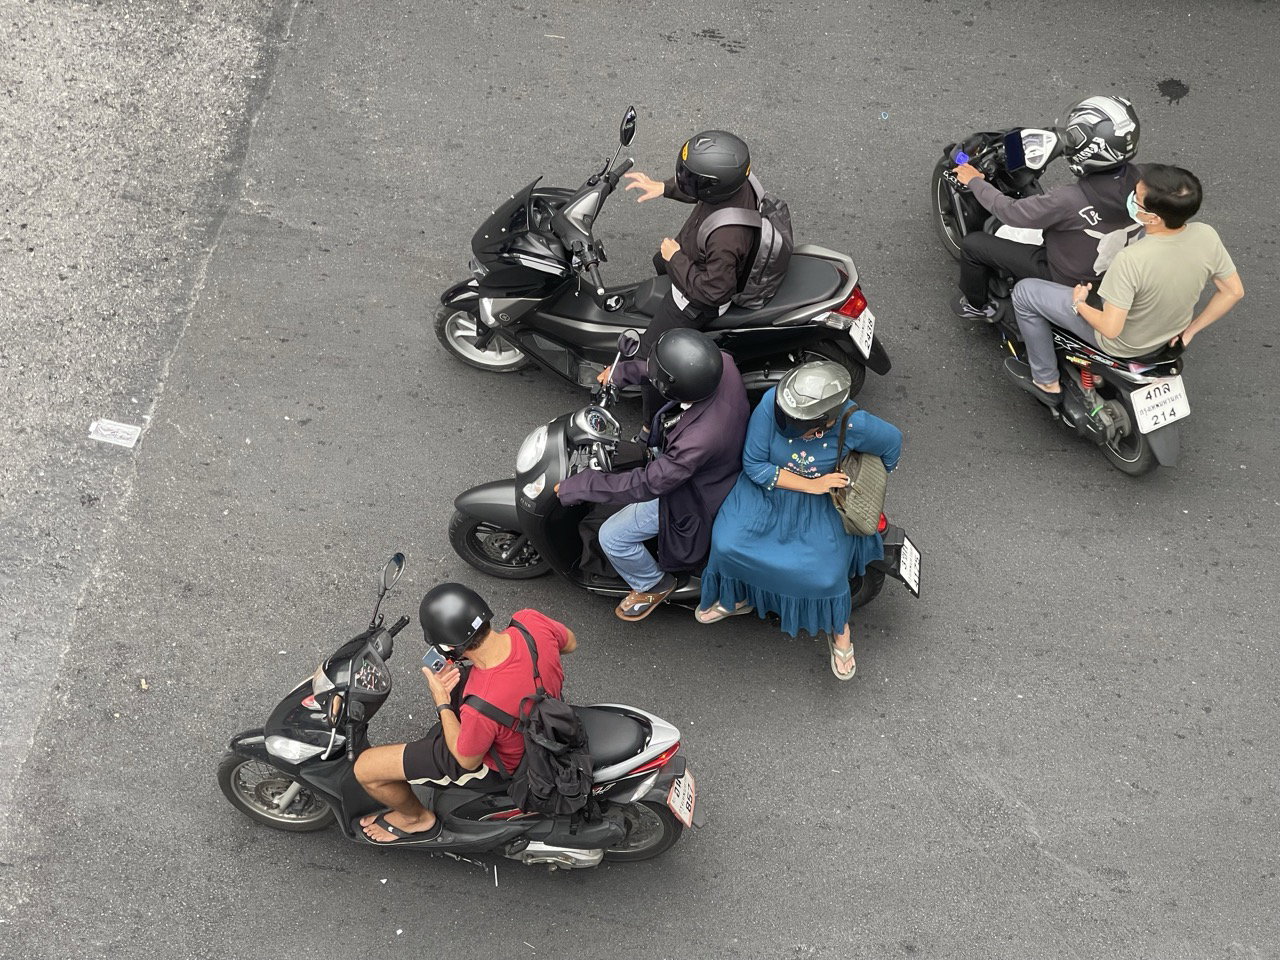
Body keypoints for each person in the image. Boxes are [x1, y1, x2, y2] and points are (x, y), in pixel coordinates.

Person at [697, 361, 902, 681]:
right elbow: (754, 465)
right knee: (727, 543)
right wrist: (810, 483)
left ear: (824, 422)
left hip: (823, 503)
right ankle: (737, 596)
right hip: (768, 490)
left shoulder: (853, 423)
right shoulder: (772, 404)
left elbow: (892, 444)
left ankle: (839, 630)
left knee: (826, 576)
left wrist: (865, 482)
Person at [354, 583, 576, 845]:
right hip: (544, 718)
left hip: (504, 763)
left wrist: (442, 702)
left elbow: (466, 759)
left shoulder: (480, 704)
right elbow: (569, 643)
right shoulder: (531, 622)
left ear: (449, 647)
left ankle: (416, 819)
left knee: (367, 769)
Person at [1004, 163, 1244, 404]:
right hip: (1171, 335)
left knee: (1026, 293)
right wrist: (1190, 330)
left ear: (1152, 217)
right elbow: (1233, 291)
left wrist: (1079, 304)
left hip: (1123, 345)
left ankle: (1046, 381)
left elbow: (1110, 329)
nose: (1130, 199)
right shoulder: (1206, 235)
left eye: (1136, 198)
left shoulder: (1131, 259)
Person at [556, 328, 750, 621]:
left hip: (693, 494)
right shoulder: (721, 364)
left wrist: (584, 484)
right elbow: (668, 371)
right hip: (715, 461)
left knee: (613, 537)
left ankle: (652, 583)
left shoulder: (698, 441)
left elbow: (649, 484)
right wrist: (622, 373)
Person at [951, 95, 1142, 319]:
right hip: (1109, 270)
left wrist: (975, 181)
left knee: (974, 245)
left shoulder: (1069, 199)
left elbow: (1010, 212)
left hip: (1063, 275)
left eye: (1074, 137)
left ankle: (976, 305)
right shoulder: (1146, 181)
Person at [621, 130, 758, 434]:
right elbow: (701, 190)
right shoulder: (736, 185)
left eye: (689, 176)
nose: (683, 178)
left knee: (653, 362)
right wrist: (664, 187)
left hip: (692, 303)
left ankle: (651, 426)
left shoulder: (727, 238)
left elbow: (711, 293)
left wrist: (675, 258)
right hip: (691, 256)